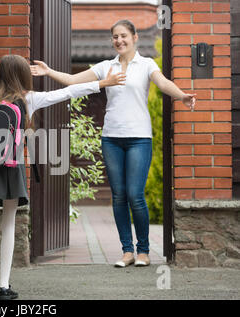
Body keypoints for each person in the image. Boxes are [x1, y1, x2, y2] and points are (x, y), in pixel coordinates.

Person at [0, 54, 125, 299]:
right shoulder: (28, 98)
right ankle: (4, 286)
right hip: (10, 165)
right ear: (22, 76)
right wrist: (101, 84)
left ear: (0, 74)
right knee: (8, 224)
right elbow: (67, 93)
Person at [31, 19, 196, 268]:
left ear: (134, 37)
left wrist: (182, 95)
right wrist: (48, 71)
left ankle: (144, 251)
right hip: (111, 139)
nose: (119, 40)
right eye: (115, 37)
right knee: (118, 196)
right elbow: (73, 80)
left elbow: (163, 84)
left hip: (139, 138)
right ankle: (127, 252)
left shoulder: (146, 64)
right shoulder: (106, 67)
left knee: (135, 195)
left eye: (123, 36)